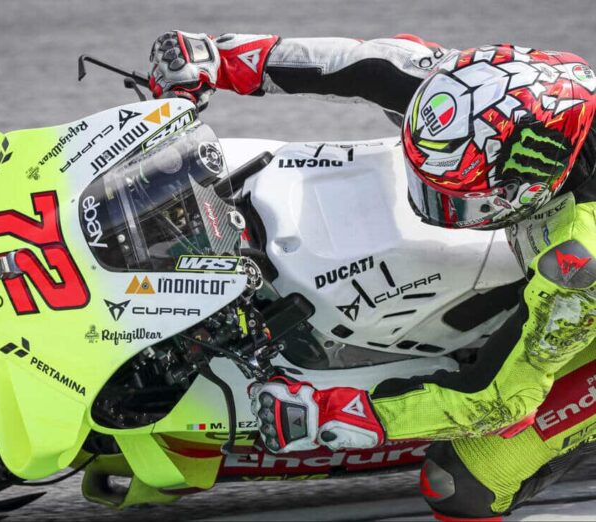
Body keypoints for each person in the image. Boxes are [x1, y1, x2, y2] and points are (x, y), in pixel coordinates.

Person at [149, 31, 596, 521]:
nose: (430, 208)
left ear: (527, 184)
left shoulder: (578, 259)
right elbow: (365, 63)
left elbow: (500, 398)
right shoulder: (486, 93)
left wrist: (340, 412)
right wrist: (218, 59)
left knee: (460, 483)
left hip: (575, 315)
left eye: (456, 200)